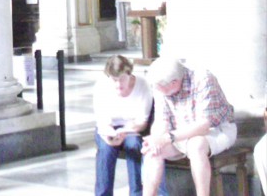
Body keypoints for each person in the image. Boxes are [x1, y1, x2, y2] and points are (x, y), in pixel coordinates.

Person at [140, 57, 237, 196]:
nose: (155, 89)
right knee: (153, 151)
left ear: (174, 83)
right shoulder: (159, 85)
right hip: (179, 133)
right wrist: (156, 139)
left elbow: (204, 125)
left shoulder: (203, 79)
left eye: (158, 87)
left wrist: (168, 137)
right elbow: (162, 120)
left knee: (195, 145)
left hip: (216, 130)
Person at [93, 56, 151, 196]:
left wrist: (126, 131)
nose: (118, 84)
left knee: (134, 145)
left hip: (133, 129)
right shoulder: (101, 86)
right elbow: (102, 121)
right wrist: (110, 136)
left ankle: (136, 192)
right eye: (114, 80)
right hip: (109, 128)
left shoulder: (142, 85)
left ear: (129, 74)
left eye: (122, 79)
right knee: (106, 149)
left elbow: (142, 122)